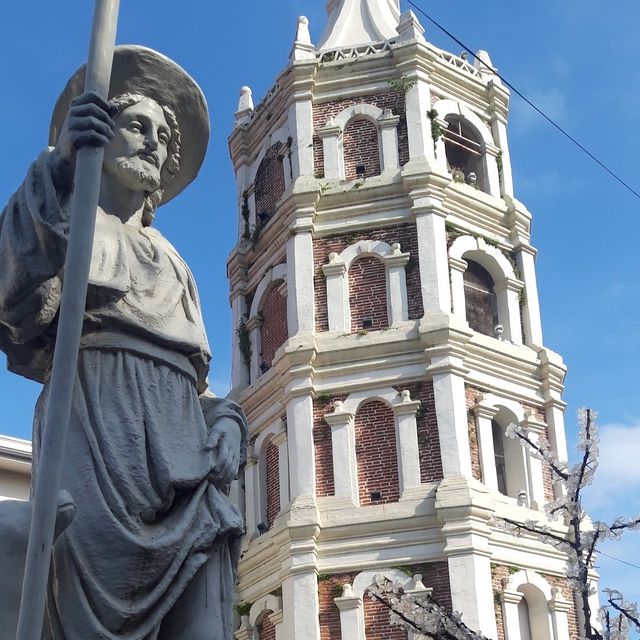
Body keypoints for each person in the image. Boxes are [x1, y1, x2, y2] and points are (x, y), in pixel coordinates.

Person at [0, 46, 246, 640]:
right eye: (138, 126)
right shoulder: (65, 219)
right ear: (101, 136)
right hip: (95, 434)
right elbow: (13, 295)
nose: (154, 143)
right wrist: (61, 165)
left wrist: (228, 421)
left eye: (164, 135)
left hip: (186, 463)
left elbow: (199, 383)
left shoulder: (176, 266)